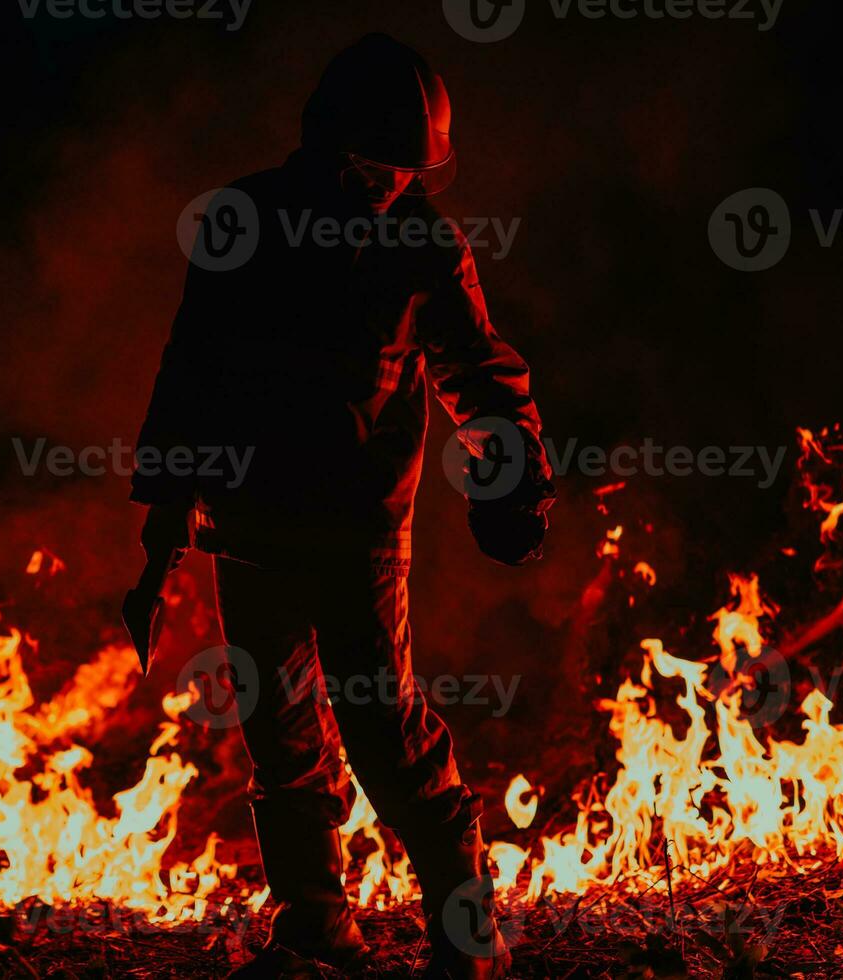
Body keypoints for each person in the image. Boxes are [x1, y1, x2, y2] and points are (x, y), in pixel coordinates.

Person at [131, 33, 554, 979]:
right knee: (279, 733)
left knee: (383, 730)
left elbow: (477, 370)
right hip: (249, 530)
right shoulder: (243, 221)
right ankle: (316, 926)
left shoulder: (421, 242)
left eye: (409, 169)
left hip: (363, 530)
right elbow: (190, 370)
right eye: (375, 164)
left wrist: (516, 475)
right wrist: (160, 535)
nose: (392, 182)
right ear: (326, 145)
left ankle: (467, 929)